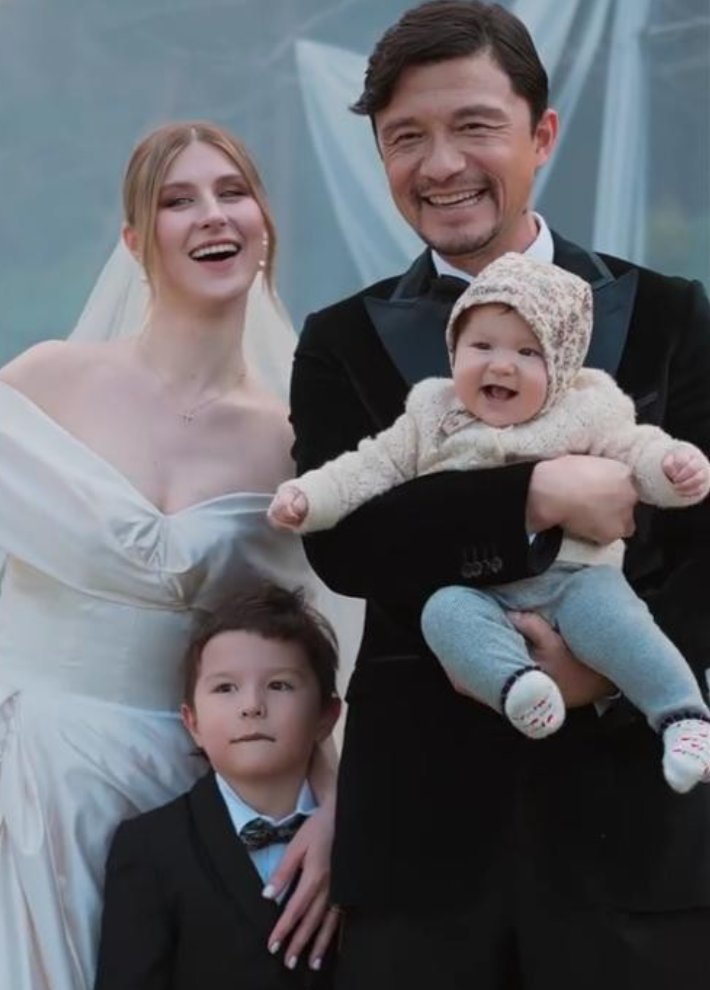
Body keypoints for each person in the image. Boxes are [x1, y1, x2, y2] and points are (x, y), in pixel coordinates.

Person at [287, 3, 710, 988]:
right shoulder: (341, 339)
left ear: (541, 133)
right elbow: (349, 544)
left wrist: (606, 678)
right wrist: (536, 494)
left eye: (473, 126)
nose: (441, 165)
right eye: (405, 137)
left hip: (634, 833)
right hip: (423, 843)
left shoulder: (668, 313)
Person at [0, 120, 337, 990]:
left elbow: (310, 638)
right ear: (134, 241)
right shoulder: (46, 381)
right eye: (178, 200)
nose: (212, 215)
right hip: (29, 768)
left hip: (186, 789)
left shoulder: (292, 442)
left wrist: (335, 803)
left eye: (232, 193)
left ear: (264, 225)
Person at [273, 251, 710, 790]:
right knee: (445, 612)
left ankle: (682, 715)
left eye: (528, 352)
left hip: (580, 591)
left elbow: (639, 450)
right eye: (481, 347)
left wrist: (674, 471)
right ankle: (519, 685)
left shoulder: (592, 401)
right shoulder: (427, 409)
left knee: (618, 620)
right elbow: (365, 472)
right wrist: (308, 497)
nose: (501, 365)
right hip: (435, 747)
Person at [94, 585, 341, 990]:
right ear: (192, 723)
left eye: (279, 685)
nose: (252, 706)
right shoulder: (149, 847)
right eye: (225, 688)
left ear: (326, 717)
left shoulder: (364, 840)